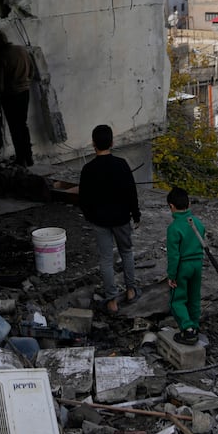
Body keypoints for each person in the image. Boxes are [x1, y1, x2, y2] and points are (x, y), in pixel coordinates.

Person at [78, 125, 140, 314]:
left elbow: (83, 198)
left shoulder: (88, 169)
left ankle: (111, 300)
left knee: (106, 259)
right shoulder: (121, 165)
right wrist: (135, 214)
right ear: (112, 143)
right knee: (126, 252)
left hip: (99, 221)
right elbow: (131, 192)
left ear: (93, 144)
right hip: (121, 219)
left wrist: (90, 216)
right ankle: (130, 290)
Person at [164, 187, 205, 344]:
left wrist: (172, 275)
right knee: (194, 297)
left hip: (183, 267)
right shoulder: (198, 222)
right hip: (198, 264)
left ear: (171, 206)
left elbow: (173, 255)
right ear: (188, 204)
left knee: (177, 299)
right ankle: (195, 325)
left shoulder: (174, 228)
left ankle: (187, 330)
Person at [0, 31, 36, 167]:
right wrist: (26, 82)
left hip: (11, 96)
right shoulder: (21, 50)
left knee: (15, 128)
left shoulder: (2, 57)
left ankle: (20, 159)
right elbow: (32, 70)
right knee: (23, 125)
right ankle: (29, 158)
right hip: (25, 92)